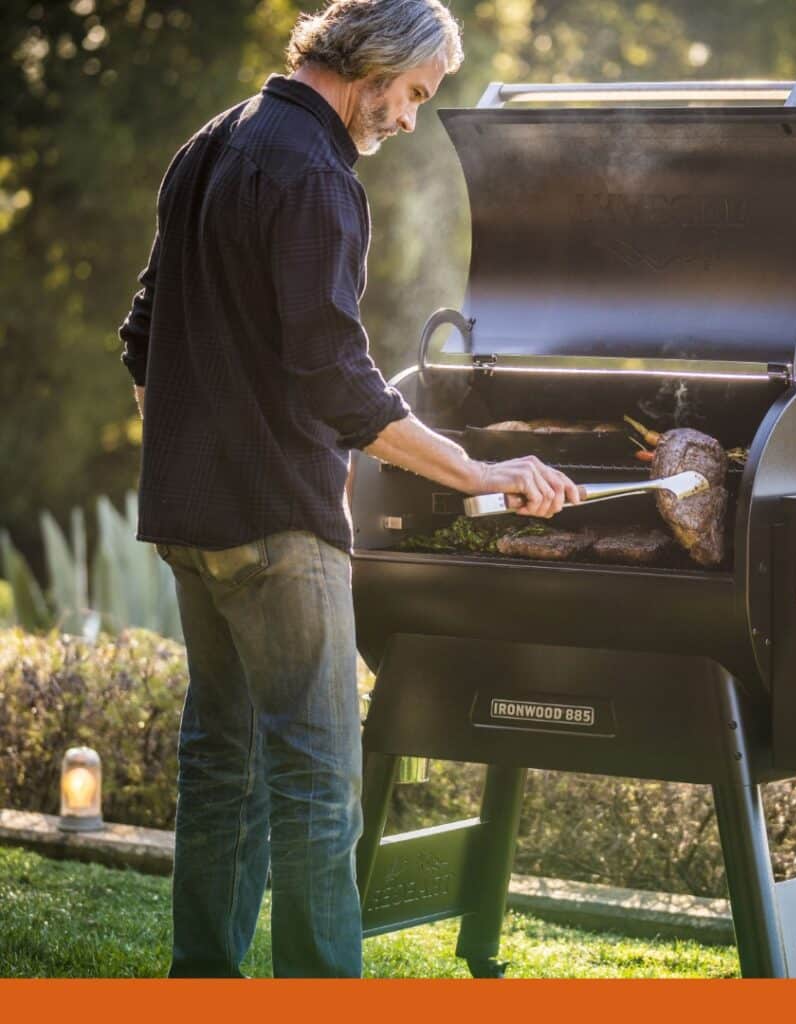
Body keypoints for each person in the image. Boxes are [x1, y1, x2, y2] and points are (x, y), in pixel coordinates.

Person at [118, 0, 579, 979]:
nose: (410, 117)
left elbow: (142, 338)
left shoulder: (209, 145)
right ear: (373, 63)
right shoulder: (317, 176)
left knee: (222, 768)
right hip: (280, 527)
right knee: (318, 784)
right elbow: (336, 383)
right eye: (414, 93)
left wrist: (199, 438)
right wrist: (477, 470)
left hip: (190, 520)